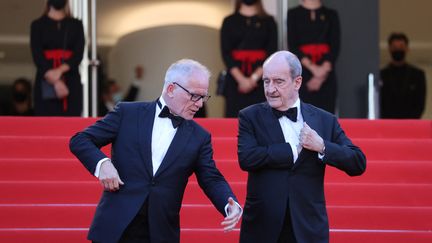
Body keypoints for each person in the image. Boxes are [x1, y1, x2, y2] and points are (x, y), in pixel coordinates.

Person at [69, 59, 242, 243]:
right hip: (116, 227)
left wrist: (229, 203)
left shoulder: (200, 137)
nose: (199, 104)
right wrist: (102, 164)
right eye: (194, 96)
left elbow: (211, 178)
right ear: (171, 89)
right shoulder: (128, 113)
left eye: (204, 97)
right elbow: (81, 140)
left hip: (161, 231)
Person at [237, 51, 366, 243]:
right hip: (263, 227)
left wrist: (322, 146)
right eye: (266, 81)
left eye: (278, 81)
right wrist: (289, 151)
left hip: (308, 228)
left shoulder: (324, 120)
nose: (270, 89)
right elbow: (246, 157)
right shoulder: (250, 116)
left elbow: (357, 162)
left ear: (297, 82)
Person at [220, 0, 278, 117]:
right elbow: (226, 53)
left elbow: (271, 53)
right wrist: (241, 79)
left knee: (261, 120)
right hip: (235, 82)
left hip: (261, 80)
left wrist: (253, 79)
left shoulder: (269, 21)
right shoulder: (229, 21)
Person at [30, 0, 85, 116]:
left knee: (72, 121)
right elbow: (37, 56)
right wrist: (56, 81)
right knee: (45, 123)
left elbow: (78, 54)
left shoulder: (76, 25)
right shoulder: (37, 25)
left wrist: (59, 71)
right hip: (45, 78)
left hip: (71, 78)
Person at [287, 0, 340, 114]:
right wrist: (313, 69)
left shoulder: (331, 14)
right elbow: (293, 46)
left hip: (326, 76)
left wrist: (320, 76)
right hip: (302, 74)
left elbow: (335, 47)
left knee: (326, 120)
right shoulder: (293, 14)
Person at [380, 32, 427, 118]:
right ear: (389, 49)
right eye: (394, 47)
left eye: (401, 47)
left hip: (410, 125)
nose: (398, 50)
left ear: (407, 48)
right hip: (387, 124)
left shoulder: (417, 75)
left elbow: (420, 104)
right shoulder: (381, 75)